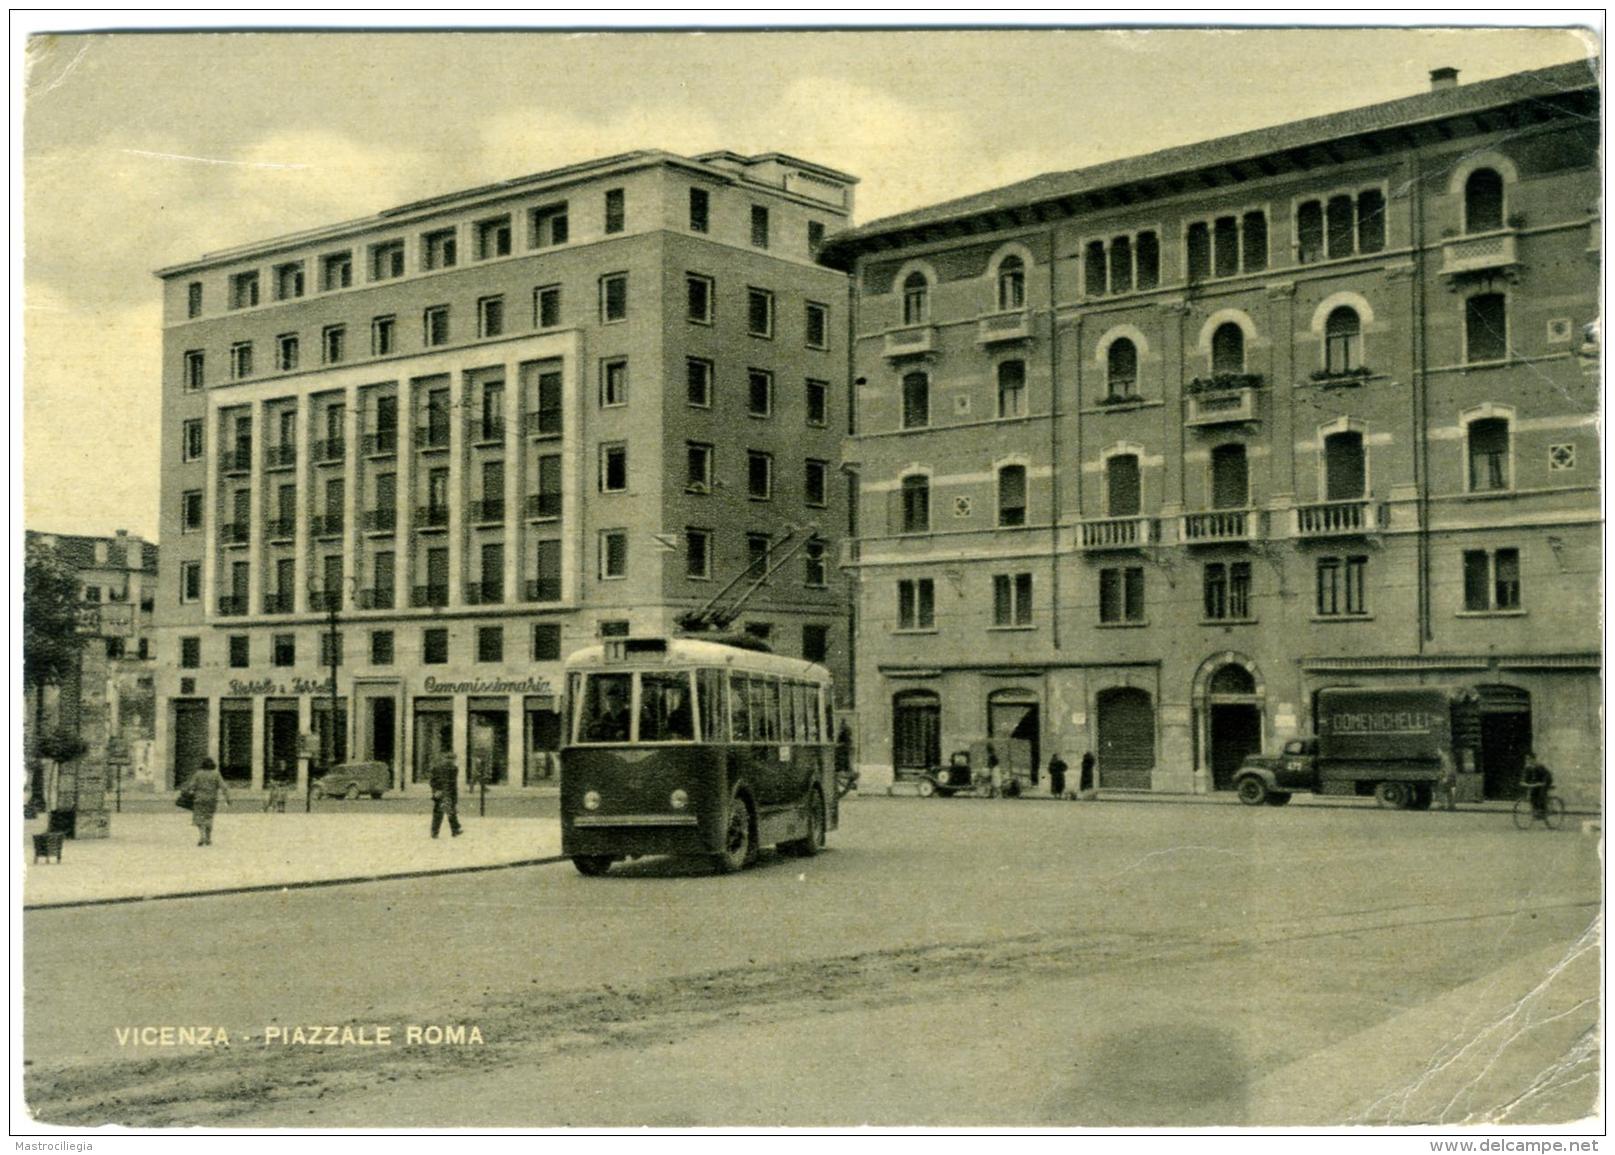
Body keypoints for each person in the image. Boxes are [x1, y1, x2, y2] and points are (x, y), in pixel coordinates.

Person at [187, 757, 230, 847]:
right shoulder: (216, 774)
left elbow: (191, 786)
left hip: (199, 799)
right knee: (209, 818)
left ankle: (202, 836)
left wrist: (190, 791)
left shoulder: (198, 774)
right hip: (212, 799)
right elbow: (224, 787)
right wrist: (227, 799)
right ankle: (208, 838)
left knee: (199, 817)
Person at [429, 750, 463, 838]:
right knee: (449, 812)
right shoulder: (453, 768)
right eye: (452, 759)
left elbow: (432, 781)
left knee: (441, 812)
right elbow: (452, 783)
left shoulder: (436, 767)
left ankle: (435, 832)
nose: (452, 761)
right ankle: (455, 830)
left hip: (441, 793)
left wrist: (435, 790)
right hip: (446, 793)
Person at [1521, 751, 1553, 819]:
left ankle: (1543, 812)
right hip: (1536, 783)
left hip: (1545, 781)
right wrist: (1523, 782)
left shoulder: (1539, 766)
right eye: (1526, 759)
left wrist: (1543, 783)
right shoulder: (1528, 767)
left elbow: (1547, 775)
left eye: (1529, 759)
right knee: (1532, 796)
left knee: (1541, 795)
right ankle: (1536, 811)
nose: (1527, 761)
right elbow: (1525, 777)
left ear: (1533, 759)